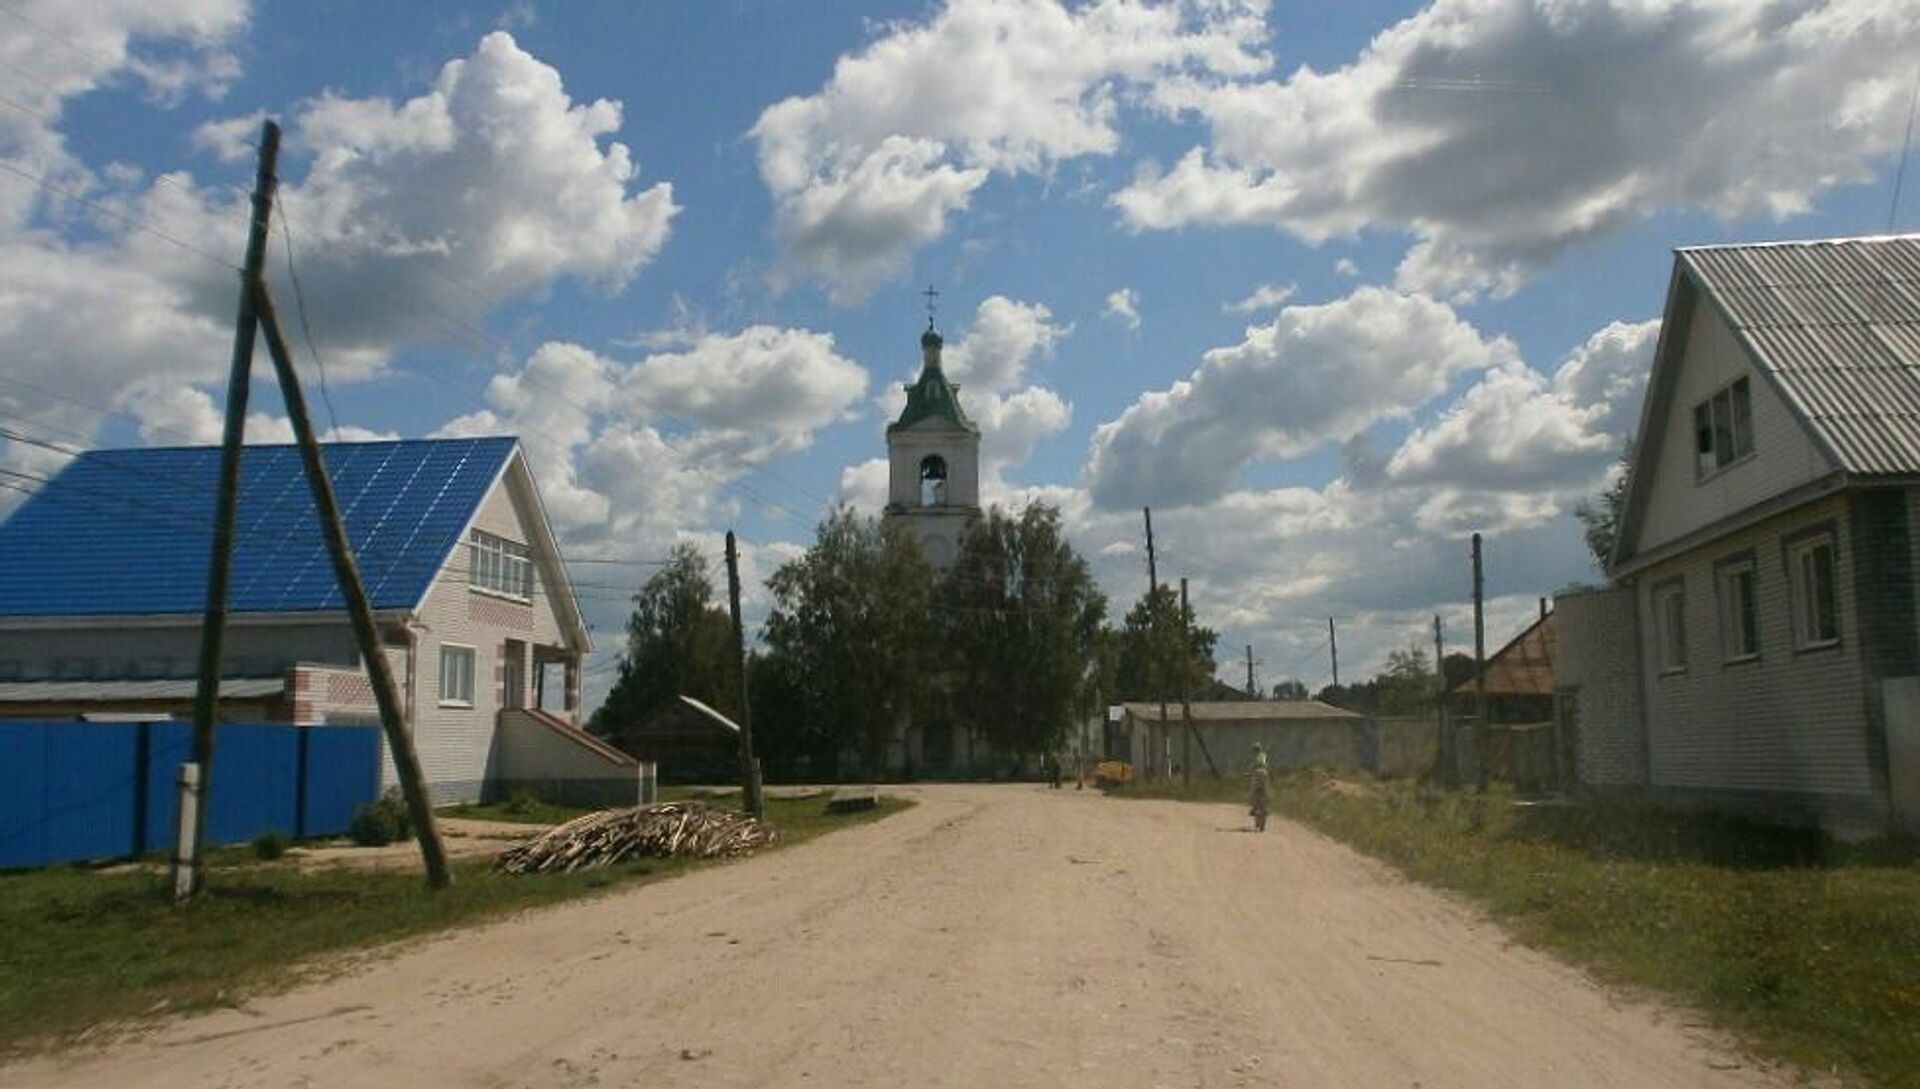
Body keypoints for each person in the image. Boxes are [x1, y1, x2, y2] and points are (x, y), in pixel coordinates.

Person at [1246, 741, 1271, 831]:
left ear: (1255, 750)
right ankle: (1267, 808)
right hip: (1265, 773)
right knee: (1266, 792)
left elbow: (1253, 766)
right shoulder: (1264, 755)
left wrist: (1248, 773)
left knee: (1253, 792)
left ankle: (1254, 808)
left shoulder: (1255, 757)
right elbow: (1266, 765)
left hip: (1257, 773)